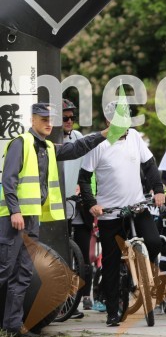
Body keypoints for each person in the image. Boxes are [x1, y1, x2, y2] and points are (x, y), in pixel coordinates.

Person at [0, 103, 107, 337]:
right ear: (33, 120)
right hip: (13, 219)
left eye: (51, 120)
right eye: (43, 119)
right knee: (5, 270)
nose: (49, 123)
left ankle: (12, 326)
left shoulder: (47, 147)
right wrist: (15, 210)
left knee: (24, 273)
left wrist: (104, 135)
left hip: (31, 219)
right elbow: (8, 179)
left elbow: (77, 148)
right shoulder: (21, 142)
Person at [79, 101, 165, 328]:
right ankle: (112, 312)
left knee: (155, 242)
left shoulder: (135, 137)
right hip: (110, 213)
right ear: (108, 122)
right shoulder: (98, 144)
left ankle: (141, 275)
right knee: (111, 263)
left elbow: (150, 165)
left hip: (137, 206)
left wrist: (158, 190)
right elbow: (84, 178)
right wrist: (92, 204)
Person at [60, 98, 95, 313]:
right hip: (57, 206)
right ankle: (63, 302)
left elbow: (87, 171)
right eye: (65, 118)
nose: (69, 121)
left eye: (72, 117)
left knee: (83, 257)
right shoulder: (49, 141)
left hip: (78, 206)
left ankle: (79, 298)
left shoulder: (78, 138)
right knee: (62, 257)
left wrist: (87, 194)